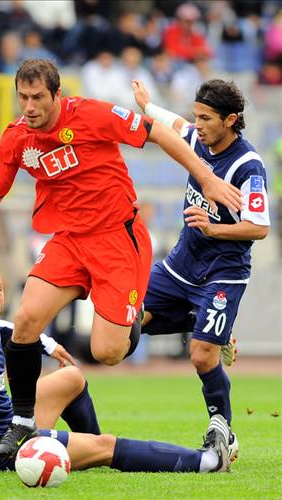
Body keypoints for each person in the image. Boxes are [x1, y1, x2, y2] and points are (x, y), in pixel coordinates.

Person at [0, 58, 242, 460]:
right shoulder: (17, 138)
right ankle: (21, 422)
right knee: (25, 320)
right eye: (23, 97)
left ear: (57, 94)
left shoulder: (90, 114)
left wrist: (208, 178)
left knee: (107, 352)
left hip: (117, 241)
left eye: (38, 97)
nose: (30, 106)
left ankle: (191, 318)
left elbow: (158, 131)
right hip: (69, 241)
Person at [0, 263, 231, 474]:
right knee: (108, 447)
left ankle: (87, 446)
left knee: (72, 378)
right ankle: (207, 463)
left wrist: (50, 345)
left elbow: (10, 329)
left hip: (11, 425)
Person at [133, 79, 270, 464]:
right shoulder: (196, 139)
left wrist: (213, 229)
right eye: (197, 116)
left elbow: (259, 227)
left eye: (206, 118)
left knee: (201, 355)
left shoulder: (248, 166)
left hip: (223, 271)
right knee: (125, 326)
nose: (198, 124)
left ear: (230, 120)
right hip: (180, 266)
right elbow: (174, 125)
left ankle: (222, 429)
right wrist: (148, 106)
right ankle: (208, 323)